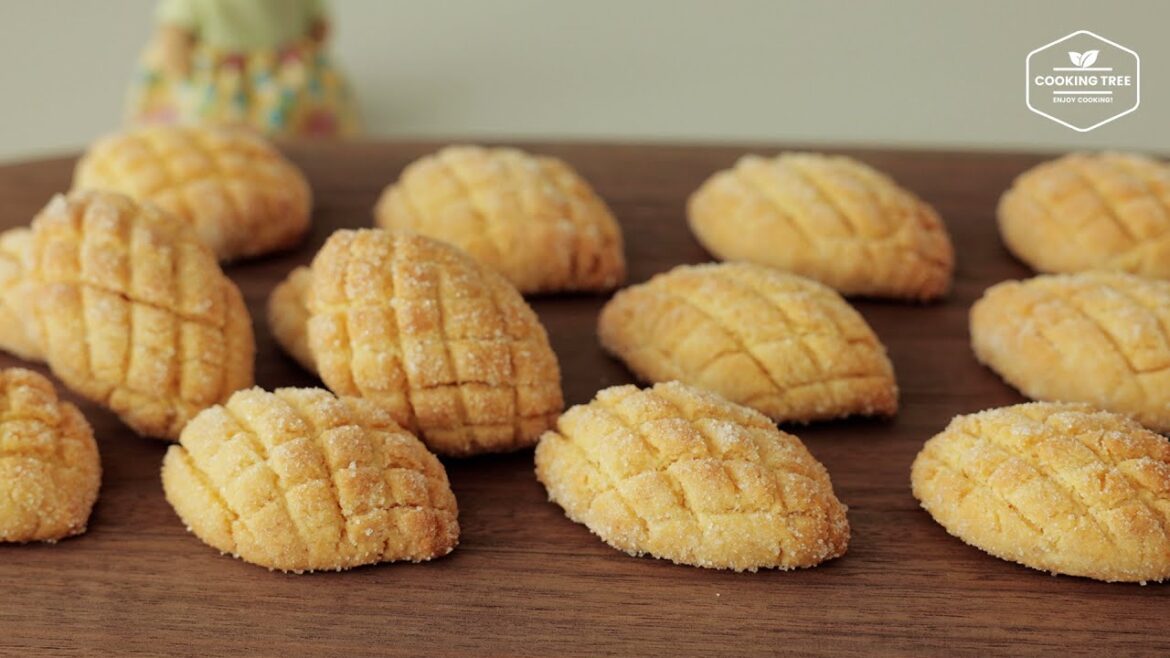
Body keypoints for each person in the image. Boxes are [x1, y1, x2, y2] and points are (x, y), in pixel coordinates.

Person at [127, 0, 360, 137]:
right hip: (219, 82)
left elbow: (318, 26)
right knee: (205, 138)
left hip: (282, 79)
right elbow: (175, 35)